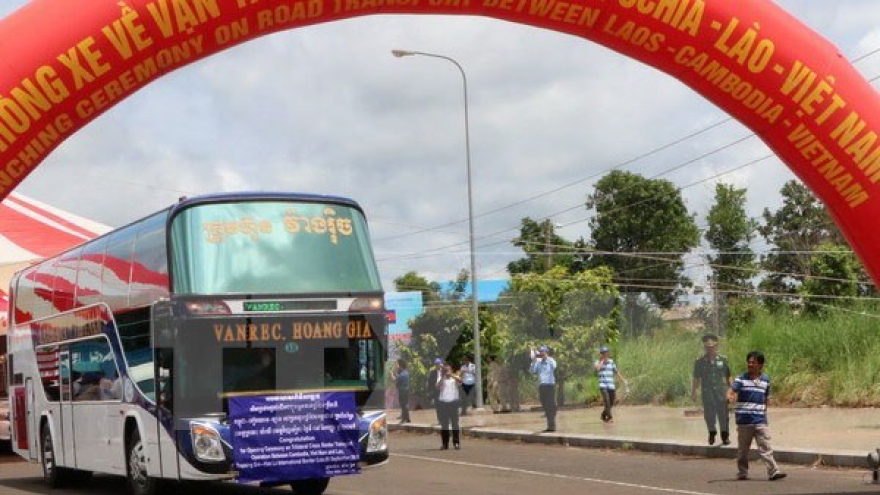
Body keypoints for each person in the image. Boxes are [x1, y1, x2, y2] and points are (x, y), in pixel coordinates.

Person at [727, 350, 787, 481]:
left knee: (765, 447)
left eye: (753, 362)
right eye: (749, 362)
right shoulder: (741, 379)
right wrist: (729, 395)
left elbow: (765, 399)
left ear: (760, 365)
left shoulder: (766, 380)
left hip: (760, 420)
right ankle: (742, 472)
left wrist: (765, 416)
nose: (750, 364)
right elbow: (732, 390)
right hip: (744, 421)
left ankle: (773, 471)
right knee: (743, 450)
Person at [691, 334, 732, 446]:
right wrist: (694, 392)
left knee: (723, 416)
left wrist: (731, 391)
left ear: (716, 346)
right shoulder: (700, 361)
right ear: (705, 348)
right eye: (708, 347)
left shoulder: (723, 360)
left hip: (721, 393)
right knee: (709, 416)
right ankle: (712, 433)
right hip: (707, 393)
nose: (710, 349)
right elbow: (696, 378)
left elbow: (728, 375)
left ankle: (725, 437)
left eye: (712, 347)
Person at [594, 345, 627, 424]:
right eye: (603, 353)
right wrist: (602, 361)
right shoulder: (597, 362)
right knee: (607, 402)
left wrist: (623, 380)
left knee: (612, 402)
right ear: (600, 354)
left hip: (611, 385)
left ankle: (603, 415)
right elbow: (598, 369)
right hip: (603, 386)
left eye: (606, 353)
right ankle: (609, 418)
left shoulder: (611, 362)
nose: (605, 355)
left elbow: (616, 372)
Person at [529, 345, 557, 432]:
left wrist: (546, 358)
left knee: (549, 405)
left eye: (543, 352)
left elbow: (554, 366)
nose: (541, 353)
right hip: (542, 386)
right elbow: (532, 371)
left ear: (546, 352)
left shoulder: (551, 361)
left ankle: (551, 426)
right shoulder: (538, 362)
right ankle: (552, 412)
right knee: (544, 404)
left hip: (550, 385)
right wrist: (533, 361)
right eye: (540, 352)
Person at [435, 363, 462, 449]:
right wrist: (443, 377)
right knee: (444, 424)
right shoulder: (441, 378)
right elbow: (437, 386)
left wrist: (452, 375)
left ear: (451, 370)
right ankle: (445, 444)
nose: (447, 372)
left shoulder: (454, 378)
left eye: (448, 370)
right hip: (443, 403)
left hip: (453, 403)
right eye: (445, 370)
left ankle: (456, 442)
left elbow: (460, 381)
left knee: (455, 424)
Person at [392, 359, 411, 424]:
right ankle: (407, 418)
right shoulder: (406, 373)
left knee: (403, 405)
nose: (397, 366)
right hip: (406, 390)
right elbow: (399, 378)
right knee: (405, 404)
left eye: (397, 365)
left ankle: (404, 419)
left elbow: (395, 379)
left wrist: (391, 373)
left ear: (400, 365)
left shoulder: (402, 374)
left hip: (402, 391)